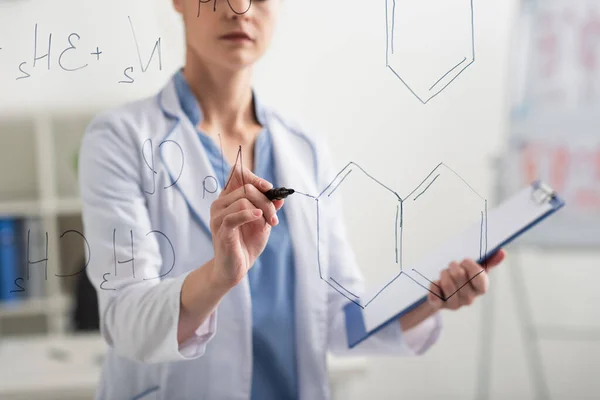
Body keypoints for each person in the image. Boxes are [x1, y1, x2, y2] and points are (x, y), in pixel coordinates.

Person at [78, 0, 507, 399]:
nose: (241, 9)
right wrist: (217, 276)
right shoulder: (119, 139)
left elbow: (340, 316)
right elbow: (126, 321)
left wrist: (429, 298)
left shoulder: (304, 148)